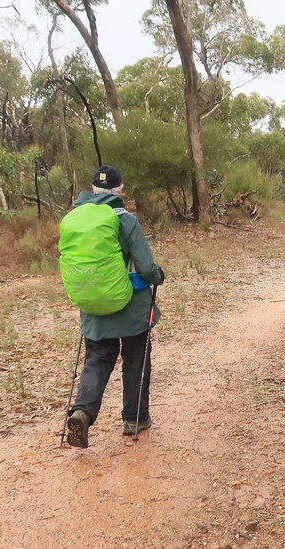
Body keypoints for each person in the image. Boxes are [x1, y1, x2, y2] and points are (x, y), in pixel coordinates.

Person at [66, 165, 165, 449]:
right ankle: (135, 419)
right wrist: (158, 276)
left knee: (97, 359)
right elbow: (145, 266)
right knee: (136, 358)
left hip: (93, 305)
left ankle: (82, 412)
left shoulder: (75, 219)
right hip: (131, 305)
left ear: (92, 189)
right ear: (120, 189)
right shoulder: (125, 219)